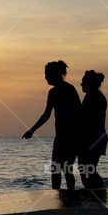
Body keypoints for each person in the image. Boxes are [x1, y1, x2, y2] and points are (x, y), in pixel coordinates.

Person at [23, 60, 81, 190]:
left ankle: (56, 194)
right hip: (74, 135)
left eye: (47, 74)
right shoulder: (71, 88)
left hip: (63, 136)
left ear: (53, 74)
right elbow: (79, 111)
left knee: (56, 168)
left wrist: (32, 130)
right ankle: (69, 195)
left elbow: (46, 115)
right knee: (67, 169)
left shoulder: (54, 92)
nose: (45, 77)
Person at [78, 70, 107, 189]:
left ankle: (97, 192)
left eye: (83, 82)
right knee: (90, 169)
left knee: (85, 169)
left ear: (89, 83)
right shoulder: (101, 97)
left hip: (90, 137)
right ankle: (98, 192)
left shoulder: (90, 97)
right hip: (100, 136)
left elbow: (83, 118)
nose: (81, 84)